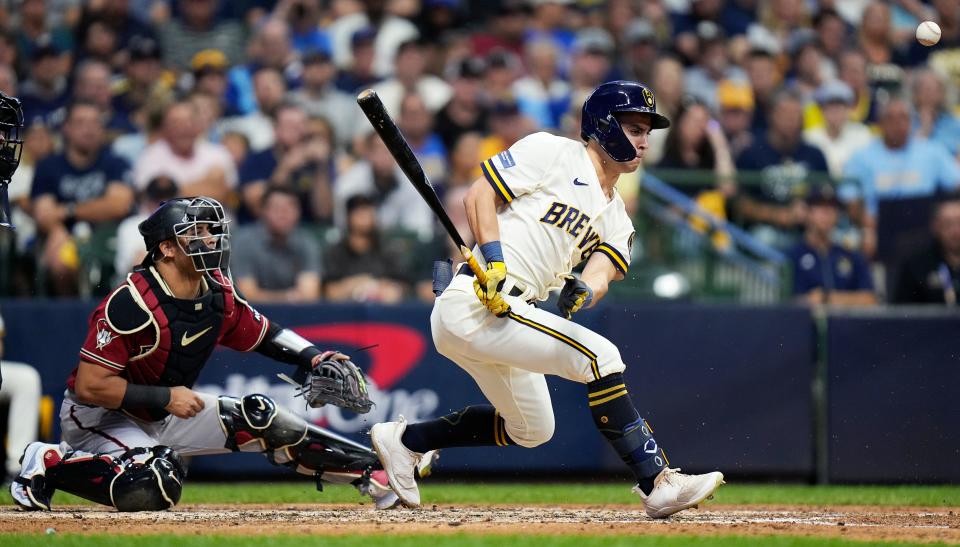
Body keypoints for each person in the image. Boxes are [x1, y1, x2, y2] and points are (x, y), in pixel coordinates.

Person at [370, 81, 724, 518]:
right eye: (634, 128)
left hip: (512, 313)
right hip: (474, 299)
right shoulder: (553, 152)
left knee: (533, 429)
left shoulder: (618, 217)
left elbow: (603, 270)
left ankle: (407, 443)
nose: (644, 140)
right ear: (604, 125)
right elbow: (480, 194)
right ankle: (657, 482)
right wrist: (494, 262)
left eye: (647, 130)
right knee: (601, 356)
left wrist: (583, 290)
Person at [7, 196, 411, 512]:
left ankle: (370, 472)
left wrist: (312, 357)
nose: (211, 240)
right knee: (156, 483)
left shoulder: (215, 289)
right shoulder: (131, 303)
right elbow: (93, 387)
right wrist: (166, 398)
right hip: (98, 416)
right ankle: (49, 462)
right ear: (166, 248)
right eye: (196, 233)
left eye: (211, 231)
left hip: (164, 412)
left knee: (258, 418)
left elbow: (262, 333)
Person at [30, 100, 135, 295]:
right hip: (68, 235)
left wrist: (66, 210)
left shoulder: (115, 162)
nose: (89, 129)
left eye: (95, 123)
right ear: (66, 128)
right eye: (81, 123)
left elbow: (119, 205)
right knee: (60, 260)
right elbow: (44, 213)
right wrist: (56, 230)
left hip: (110, 235)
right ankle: (72, 318)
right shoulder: (48, 166)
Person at [786, 186, 876, 307]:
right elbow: (785, 301)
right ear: (807, 212)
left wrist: (826, 298)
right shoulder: (793, 255)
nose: (827, 213)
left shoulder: (850, 255)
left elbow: (870, 299)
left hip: (846, 324)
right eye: (820, 206)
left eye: (832, 208)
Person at [233, 186, 322, 304]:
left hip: (297, 316)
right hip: (253, 316)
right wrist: (289, 296)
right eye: (276, 208)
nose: (283, 214)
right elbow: (246, 294)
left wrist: (266, 296)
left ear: (299, 212)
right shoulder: (244, 241)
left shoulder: (306, 241)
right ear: (263, 211)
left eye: (290, 207)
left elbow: (310, 294)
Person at [323, 194, 409, 304]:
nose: (366, 217)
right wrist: (358, 283)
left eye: (369, 211)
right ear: (349, 216)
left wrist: (381, 287)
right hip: (346, 314)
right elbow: (330, 292)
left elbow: (403, 287)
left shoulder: (388, 250)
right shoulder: (336, 252)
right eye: (360, 212)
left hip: (382, 312)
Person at [894, 200, 960, 304]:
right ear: (936, 226)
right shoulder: (916, 266)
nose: (956, 231)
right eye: (948, 224)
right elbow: (900, 313)